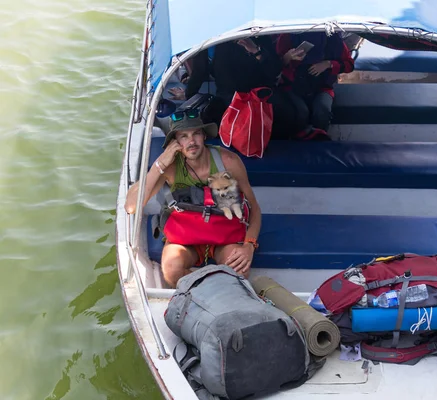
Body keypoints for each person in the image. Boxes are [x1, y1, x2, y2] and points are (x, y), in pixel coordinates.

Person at [125, 112, 262, 287]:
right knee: (171, 270)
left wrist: (249, 245)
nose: (191, 142)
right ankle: (207, 291)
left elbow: (254, 208)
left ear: (204, 135)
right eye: (184, 136)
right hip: (185, 238)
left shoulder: (228, 161)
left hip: (224, 236)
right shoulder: (171, 167)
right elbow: (130, 207)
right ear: (175, 143)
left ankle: (213, 289)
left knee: (239, 270)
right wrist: (160, 164)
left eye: (195, 134)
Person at [169, 36, 304, 138]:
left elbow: (274, 70)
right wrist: (188, 95)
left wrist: (256, 51)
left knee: (293, 115)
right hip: (229, 101)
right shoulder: (214, 37)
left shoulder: (259, 36)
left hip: (260, 98)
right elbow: (200, 70)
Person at [276, 32, 355, 138]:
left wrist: (328, 64)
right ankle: (296, 145)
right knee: (300, 112)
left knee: (322, 110)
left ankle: (318, 143)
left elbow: (349, 65)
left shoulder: (333, 38)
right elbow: (275, 64)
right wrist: (288, 57)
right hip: (292, 85)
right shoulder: (287, 35)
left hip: (322, 87)